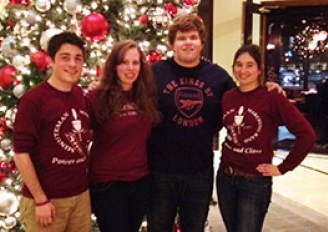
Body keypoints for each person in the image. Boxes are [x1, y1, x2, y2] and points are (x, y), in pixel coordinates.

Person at [147, 14, 284, 232]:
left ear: (201, 42)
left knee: (195, 228)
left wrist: (267, 86)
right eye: (181, 38)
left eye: (193, 37)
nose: (188, 42)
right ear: (172, 43)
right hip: (160, 172)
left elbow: (244, 93)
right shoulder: (153, 73)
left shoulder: (218, 77)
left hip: (199, 172)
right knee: (158, 227)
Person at [216, 44, 316, 232]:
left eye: (249, 65)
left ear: (260, 69)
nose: (243, 70)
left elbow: (307, 135)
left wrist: (284, 167)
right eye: (238, 65)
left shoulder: (272, 97)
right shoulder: (228, 97)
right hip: (225, 178)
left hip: (254, 182)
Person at [13, 32, 92, 231]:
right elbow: (21, 154)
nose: (72, 64)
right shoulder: (34, 100)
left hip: (80, 197)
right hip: (47, 201)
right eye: (65, 57)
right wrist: (40, 200)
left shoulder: (81, 96)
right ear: (51, 61)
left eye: (78, 58)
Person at [88, 40, 161, 232]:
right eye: (124, 62)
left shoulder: (145, 97)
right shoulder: (96, 98)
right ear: (114, 66)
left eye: (135, 63)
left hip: (140, 181)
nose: (130, 68)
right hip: (109, 184)